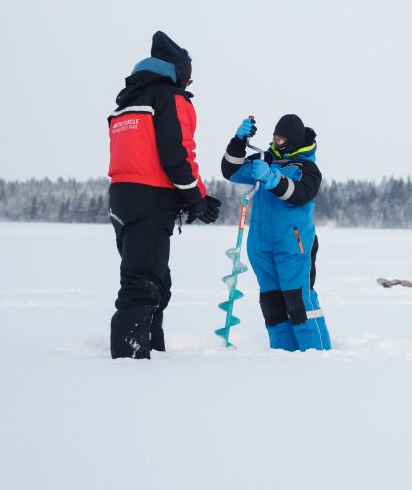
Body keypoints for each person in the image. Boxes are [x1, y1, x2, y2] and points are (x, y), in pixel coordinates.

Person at [106, 30, 221, 359]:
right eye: (188, 75)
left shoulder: (127, 102)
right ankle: (130, 364)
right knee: (142, 284)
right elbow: (178, 155)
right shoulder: (169, 98)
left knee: (155, 281)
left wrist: (189, 200)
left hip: (121, 199)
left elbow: (143, 157)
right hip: (149, 199)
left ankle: (153, 351)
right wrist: (197, 198)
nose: (189, 83)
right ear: (178, 71)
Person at [221, 113, 331, 351]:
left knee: (298, 302)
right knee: (273, 305)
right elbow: (230, 170)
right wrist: (238, 141)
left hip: (293, 245)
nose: (276, 143)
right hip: (261, 245)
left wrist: (272, 179)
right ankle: (282, 357)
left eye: (281, 139)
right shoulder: (264, 159)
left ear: (292, 141)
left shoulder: (307, 167)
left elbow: (300, 195)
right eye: (274, 137)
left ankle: (317, 354)